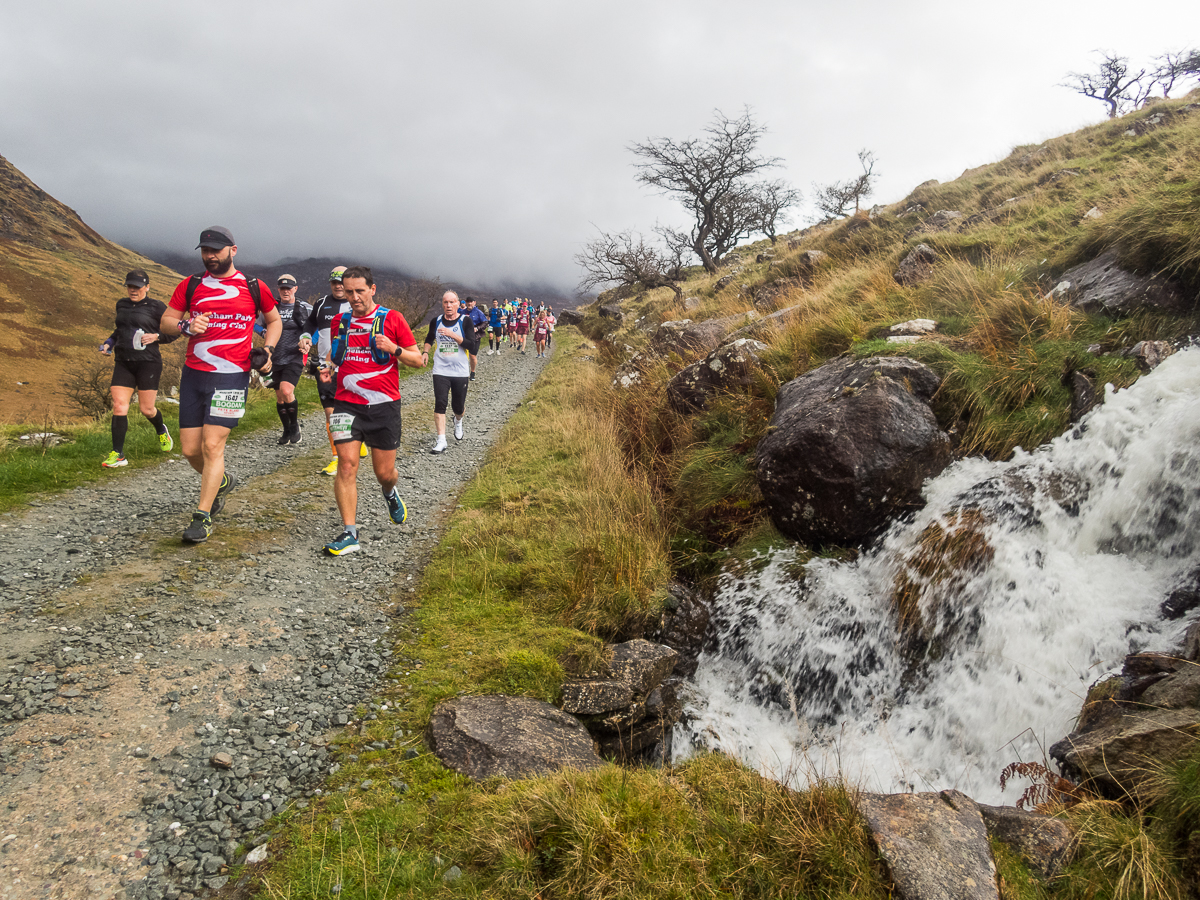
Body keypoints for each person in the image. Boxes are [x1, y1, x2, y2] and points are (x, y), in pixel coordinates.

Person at [161, 227, 281, 544]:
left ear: (233, 250)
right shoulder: (191, 285)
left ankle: (202, 517)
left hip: (232, 376)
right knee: (190, 450)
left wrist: (267, 350)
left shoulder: (254, 287)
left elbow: (274, 321)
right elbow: (166, 322)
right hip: (194, 374)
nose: (210, 256)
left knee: (213, 445)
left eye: (216, 250)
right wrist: (187, 325)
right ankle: (222, 480)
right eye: (205, 250)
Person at [318, 266, 422, 556]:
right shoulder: (341, 320)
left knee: (384, 473)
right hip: (346, 404)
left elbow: (418, 361)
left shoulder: (392, 319)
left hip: (383, 405)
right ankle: (350, 533)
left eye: (359, 291)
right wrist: (328, 367)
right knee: (347, 464)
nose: (354, 297)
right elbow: (334, 353)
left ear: (372, 289)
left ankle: (390, 492)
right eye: (349, 292)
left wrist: (394, 349)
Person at [98, 269, 178, 467]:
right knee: (119, 406)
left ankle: (161, 430)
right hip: (123, 362)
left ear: (147, 287)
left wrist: (156, 337)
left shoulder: (156, 307)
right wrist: (109, 342)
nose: (133, 290)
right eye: (130, 286)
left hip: (148, 362)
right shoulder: (122, 304)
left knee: (147, 409)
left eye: (137, 287)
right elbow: (120, 330)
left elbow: (174, 330)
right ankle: (118, 454)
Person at [298, 266, 368, 474]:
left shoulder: (357, 302)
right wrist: (305, 337)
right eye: (334, 282)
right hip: (325, 367)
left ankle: (359, 436)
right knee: (331, 414)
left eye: (342, 282)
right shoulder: (321, 304)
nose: (338, 286)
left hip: (353, 366)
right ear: (330, 283)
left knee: (354, 410)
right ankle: (337, 457)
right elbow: (309, 324)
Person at [422, 290, 478, 454]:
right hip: (441, 369)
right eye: (445, 302)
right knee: (440, 403)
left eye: (452, 302)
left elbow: (471, 345)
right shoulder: (436, 321)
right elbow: (429, 338)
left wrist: (452, 335)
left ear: (457, 304)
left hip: (460, 371)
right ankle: (441, 440)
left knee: (458, 406)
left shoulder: (465, 321)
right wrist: (425, 352)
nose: (448, 305)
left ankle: (458, 421)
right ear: (442, 304)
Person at [263, 273, 312, 444]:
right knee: (279, 397)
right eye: (282, 288)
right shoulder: (271, 308)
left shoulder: (305, 308)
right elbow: (255, 323)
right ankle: (285, 430)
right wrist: (263, 332)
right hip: (275, 358)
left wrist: (309, 342)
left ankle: (294, 426)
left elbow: (316, 326)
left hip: (295, 357)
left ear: (295, 289)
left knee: (286, 391)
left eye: (289, 288)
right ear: (278, 289)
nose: (286, 291)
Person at [463, 296, 488, 380]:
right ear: (466, 302)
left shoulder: (478, 312)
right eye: (468, 301)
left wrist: (477, 328)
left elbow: (485, 322)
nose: (469, 303)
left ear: (474, 302)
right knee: (462, 354)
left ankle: (472, 372)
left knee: (472, 355)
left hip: (475, 337)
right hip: (464, 336)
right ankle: (462, 372)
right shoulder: (462, 312)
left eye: (471, 302)